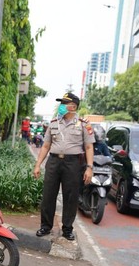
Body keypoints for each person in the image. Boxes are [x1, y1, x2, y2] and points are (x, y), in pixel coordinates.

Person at [33, 92, 94, 241]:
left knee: (71, 197)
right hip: (53, 162)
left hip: (73, 163)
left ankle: (67, 229)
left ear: (73, 106)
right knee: (48, 195)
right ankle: (45, 226)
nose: (61, 106)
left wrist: (89, 168)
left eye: (64, 103)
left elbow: (88, 147)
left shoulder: (83, 124)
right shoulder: (54, 123)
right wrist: (37, 165)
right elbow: (46, 145)